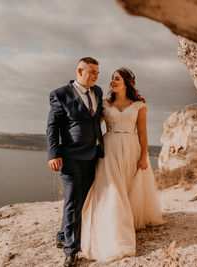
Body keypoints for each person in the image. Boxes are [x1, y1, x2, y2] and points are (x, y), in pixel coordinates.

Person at [81, 67, 163, 262]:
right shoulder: (105, 104)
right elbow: (94, 127)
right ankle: (117, 232)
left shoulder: (138, 106)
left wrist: (144, 156)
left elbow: (142, 132)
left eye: (117, 78)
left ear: (126, 82)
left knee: (127, 186)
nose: (112, 81)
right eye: (111, 78)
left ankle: (128, 219)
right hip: (109, 149)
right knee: (114, 189)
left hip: (131, 147)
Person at [46, 57, 104, 267]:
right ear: (80, 71)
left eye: (97, 72)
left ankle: (62, 234)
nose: (95, 76)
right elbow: (52, 127)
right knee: (72, 201)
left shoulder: (97, 92)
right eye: (92, 72)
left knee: (81, 198)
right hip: (70, 156)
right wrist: (53, 154)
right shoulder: (60, 95)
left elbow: (96, 118)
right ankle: (71, 251)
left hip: (93, 154)